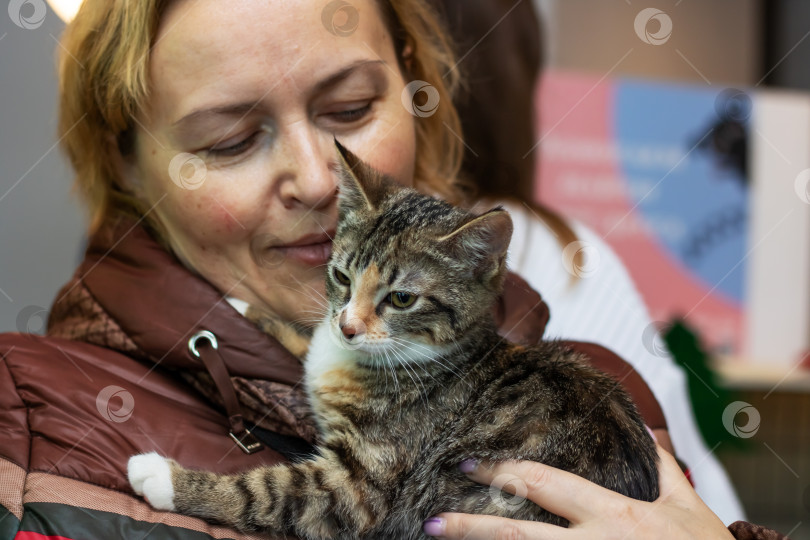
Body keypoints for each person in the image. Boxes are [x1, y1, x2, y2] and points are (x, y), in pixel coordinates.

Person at [0, 1, 785, 539]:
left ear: (417, 90)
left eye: (348, 111)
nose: (316, 180)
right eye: (232, 140)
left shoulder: (600, 382)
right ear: (124, 159)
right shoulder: (33, 420)